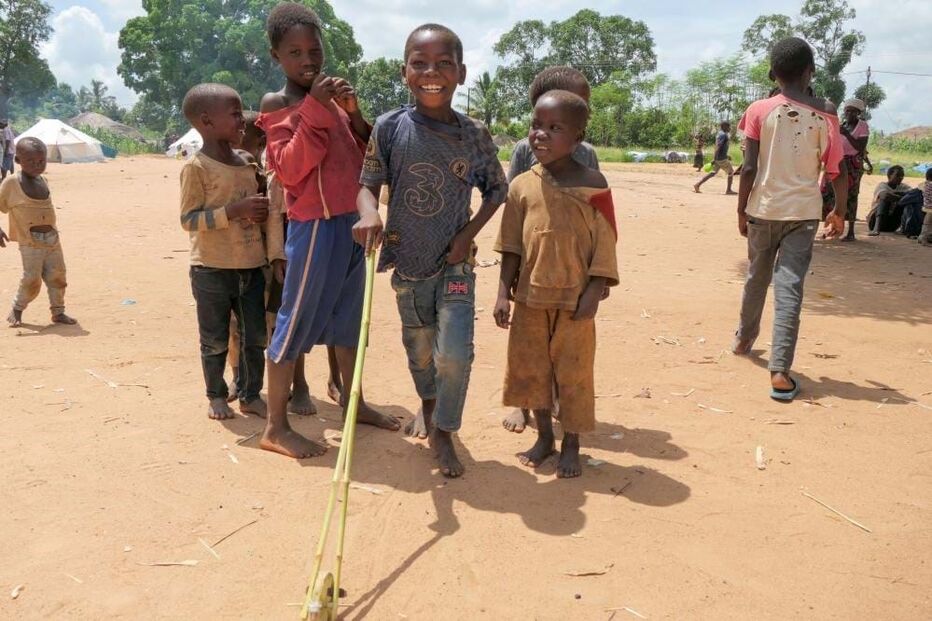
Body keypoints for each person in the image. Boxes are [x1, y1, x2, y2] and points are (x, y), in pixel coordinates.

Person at [357, 23, 508, 477]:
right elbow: (367, 186)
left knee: (455, 352)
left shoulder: (473, 134)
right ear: (405, 72)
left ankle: (444, 432)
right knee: (420, 350)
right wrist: (368, 213)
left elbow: (497, 190)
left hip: (455, 262)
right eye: (420, 64)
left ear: (460, 73)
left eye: (444, 64)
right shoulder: (388, 127)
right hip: (407, 263)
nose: (431, 72)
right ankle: (427, 404)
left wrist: (468, 233)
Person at [257, 2, 399, 459]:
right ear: (276, 56)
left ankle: (352, 403)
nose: (307, 60)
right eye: (294, 52)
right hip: (314, 227)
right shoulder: (278, 105)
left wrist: (353, 114)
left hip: (354, 223)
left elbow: (364, 154)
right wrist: (317, 107)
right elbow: (293, 168)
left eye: (314, 49)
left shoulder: (332, 101)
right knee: (292, 323)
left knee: (348, 324)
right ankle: (276, 428)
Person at [493, 90, 618, 478]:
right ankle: (544, 436)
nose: (540, 135)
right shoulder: (520, 187)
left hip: (575, 301)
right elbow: (511, 244)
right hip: (530, 298)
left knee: (573, 374)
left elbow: (606, 244)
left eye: (554, 128)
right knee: (532, 371)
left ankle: (572, 445)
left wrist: (594, 292)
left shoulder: (595, 185)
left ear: (578, 138)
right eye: (536, 125)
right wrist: (502, 293)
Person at [732, 37, 848, 401]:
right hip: (803, 213)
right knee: (790, 288)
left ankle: (743, 339)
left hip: (762, 210)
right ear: (809, 71)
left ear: (772, 73)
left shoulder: (758, 110)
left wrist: (741, 209)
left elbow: (748, 167)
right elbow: (837, 169)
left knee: (756, 277)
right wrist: (839, 210)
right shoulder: (827, 113)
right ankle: (780, 371)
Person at [500, 65, 601, 435]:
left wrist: (598, 278)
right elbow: (515, 204)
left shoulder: (587, 158)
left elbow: (601, 220)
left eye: (583, 106)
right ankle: (525, 408)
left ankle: (560, 401)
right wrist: (506, 280)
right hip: (532, 270)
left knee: (568, 347)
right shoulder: (524, 151)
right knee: (529, 350)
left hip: (573, 273)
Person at [179, 83, 271, 421]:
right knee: (216, 339)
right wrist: (234, 211)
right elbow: (188, 219)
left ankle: (249, 394)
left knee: (254, 337)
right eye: (234, 114)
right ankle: (216, 395)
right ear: (206, 120)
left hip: (251, 265)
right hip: (211, 269)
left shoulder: (247, 165)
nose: (241, 120)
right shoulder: (197, 167)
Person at [0, 138, 77, 327]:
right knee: (31, 278)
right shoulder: (11, 183)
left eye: (41, 161)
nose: (37, 165)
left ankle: (58, 312)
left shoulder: (44, 181)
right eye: (31, 161)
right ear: (18, 161)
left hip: (52, 240)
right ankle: (18, 308)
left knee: (58, 276)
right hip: (30, 243)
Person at [822, 98, 869, 241]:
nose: (849, 113)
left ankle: (851, 232)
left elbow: (860, 147)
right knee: (831, 194)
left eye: (852, 111)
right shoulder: (841, 125)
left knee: (851, 195)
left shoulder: (862, 127)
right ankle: (833, 227)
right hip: (837, 162)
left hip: (853, 166)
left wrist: (846, 134)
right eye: (847, 110)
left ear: (858, 113)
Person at [867, 165, 911, 237]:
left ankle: (904, 228)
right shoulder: (882, 185)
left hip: (892, 225)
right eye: (898, 175)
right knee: (884, 200)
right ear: (890, 175)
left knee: (906, 202)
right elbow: (884, 196)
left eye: (902, 176)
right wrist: (901, 197)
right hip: (874, 221)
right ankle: (876, 229)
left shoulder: (903, 186)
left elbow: (914, 194)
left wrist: (896, 197)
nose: (901, 178)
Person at [693, 121, 736, 194]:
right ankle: (728, 190)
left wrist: (716, 157)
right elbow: (719, 146)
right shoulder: (723, 135)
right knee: (731, 172)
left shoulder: (719, 134)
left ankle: (697, 185)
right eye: (728, 127)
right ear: (724, 127)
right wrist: (719, 157)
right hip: (722, 158)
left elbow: (717, 146)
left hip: (719, 157)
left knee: (712, 173)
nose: (730, 128)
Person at [920, 169, 932, 247]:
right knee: (928, 225)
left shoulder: (925, 184)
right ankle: (924, 240)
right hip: (931, 208)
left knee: (927, 224)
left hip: (926, 206)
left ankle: (922, 237)